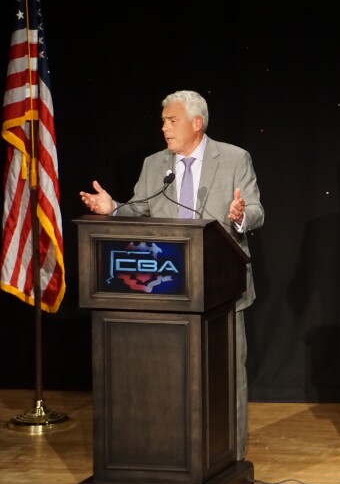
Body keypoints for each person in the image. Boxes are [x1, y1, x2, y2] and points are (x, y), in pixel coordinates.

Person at [79, 89, 264, 461]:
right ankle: (171, 449)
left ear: (197, 123)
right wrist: (113, 207)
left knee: (227, 374)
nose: (164, 128)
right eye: (163, 121)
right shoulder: (154, 164)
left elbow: (257, 211)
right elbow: (140, 210)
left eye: (171, 120)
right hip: (166, 287)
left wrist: (239, 214)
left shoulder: (233, 158)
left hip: (221, 286)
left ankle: (231, 453)